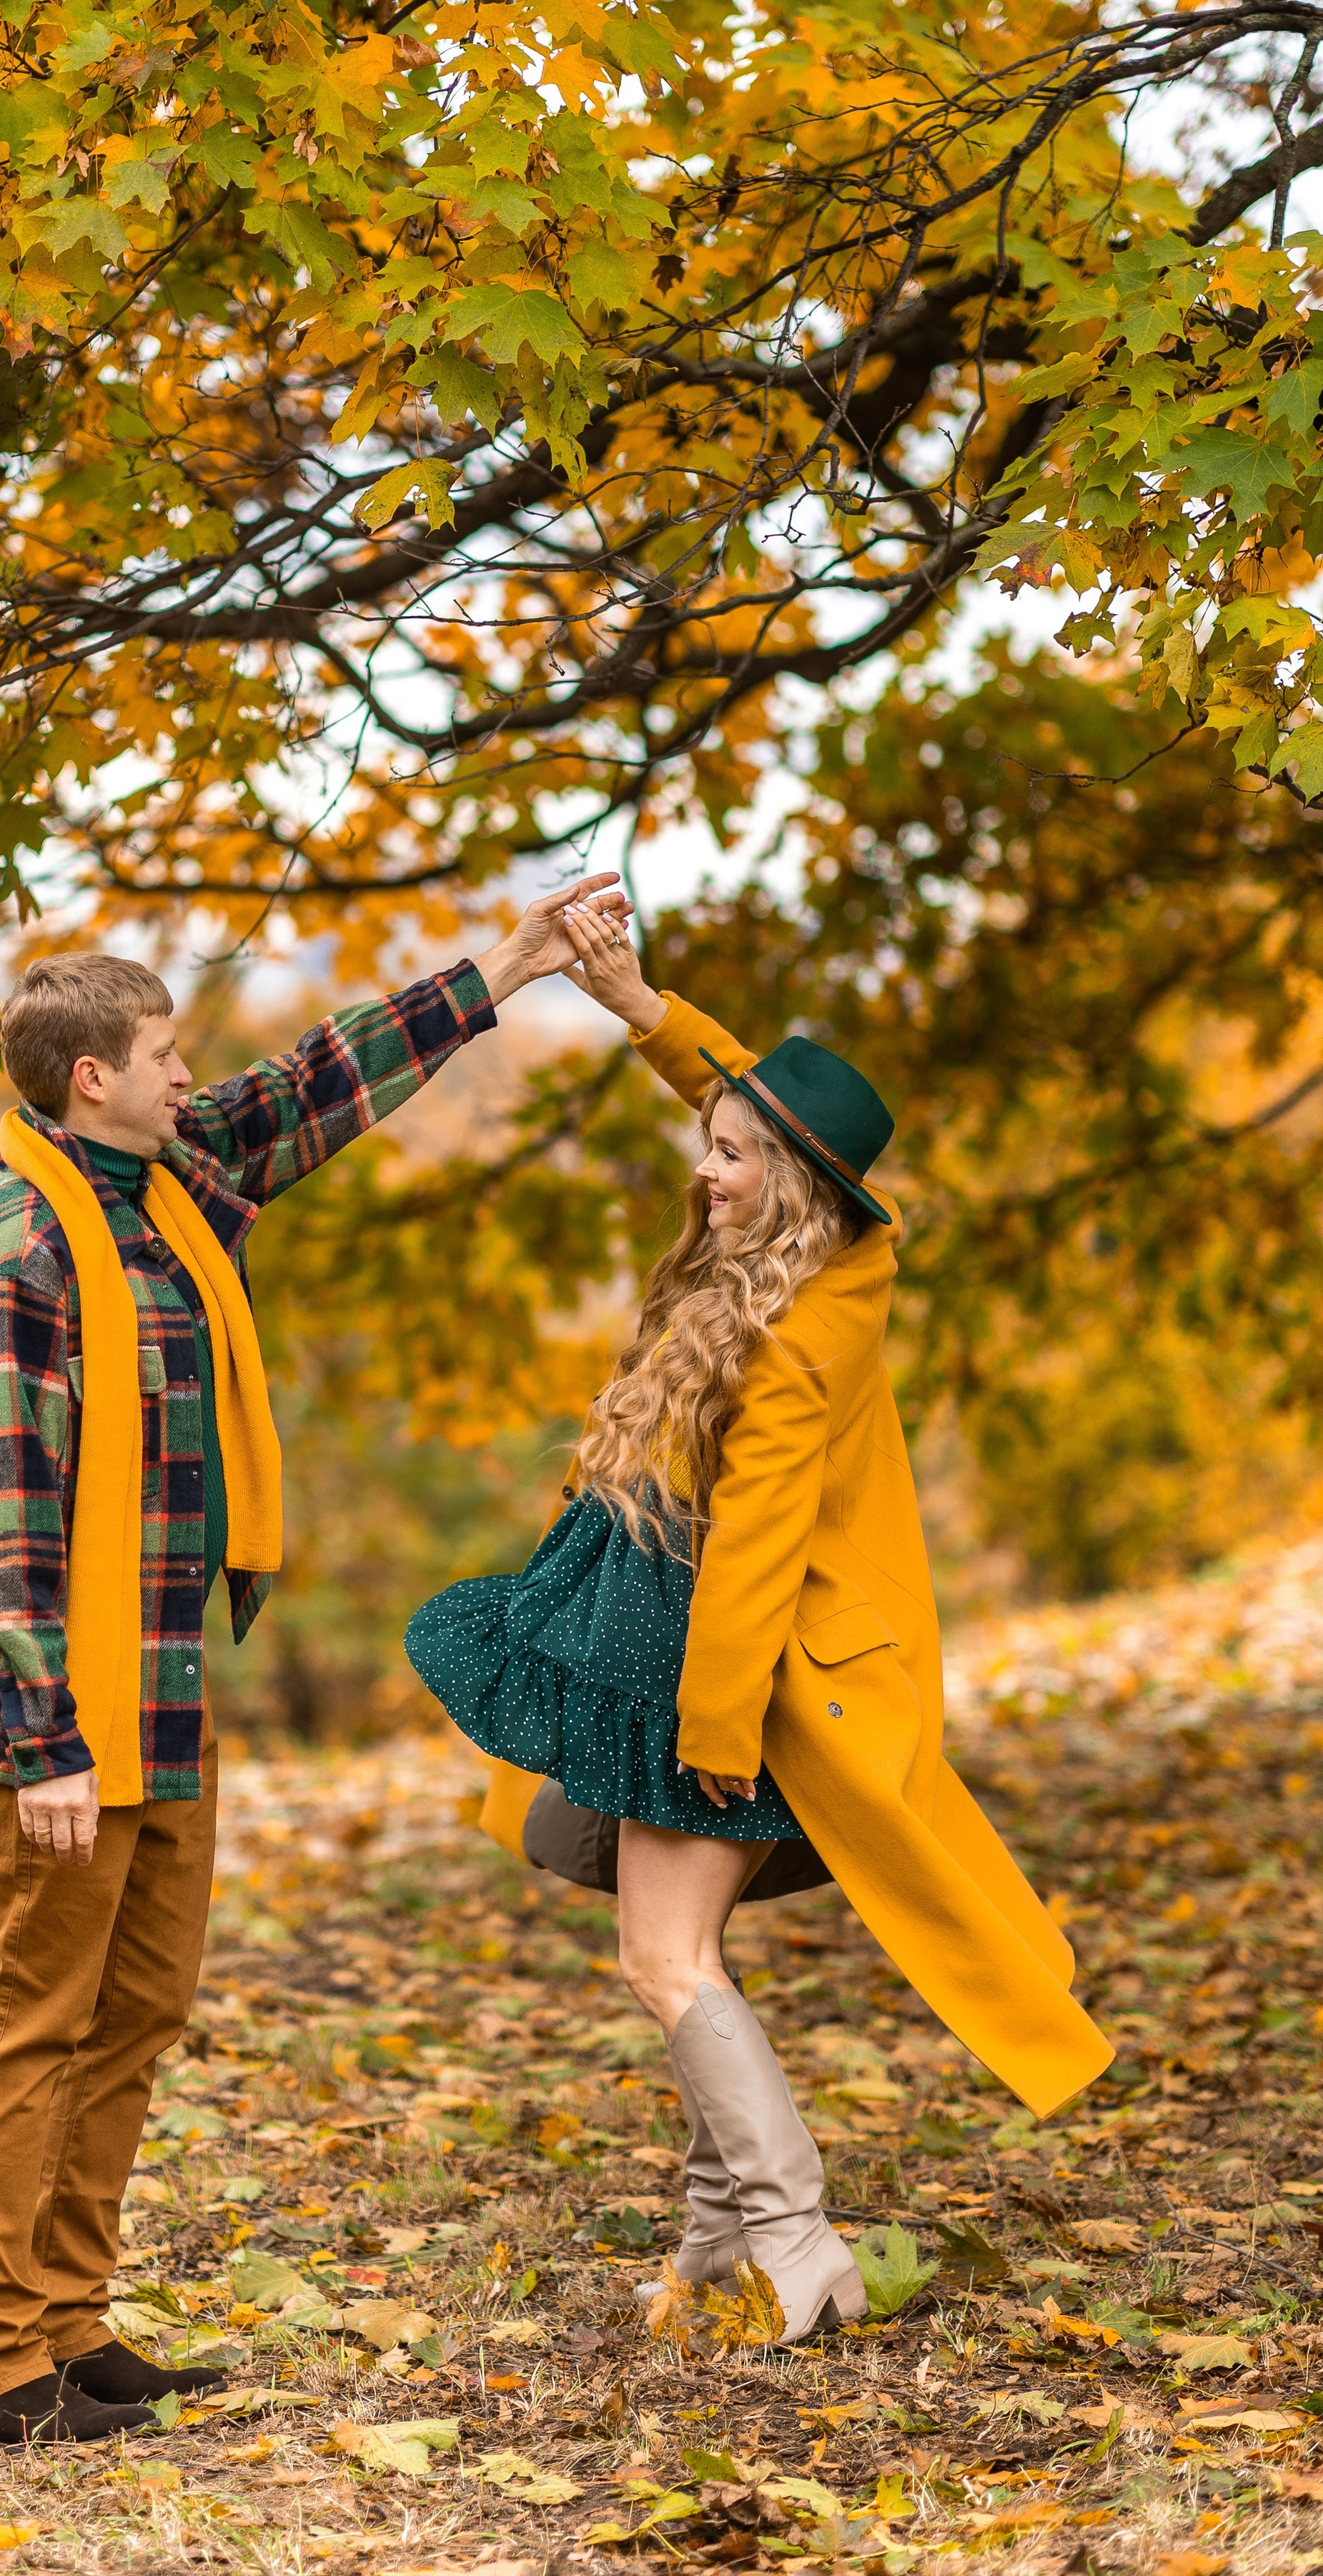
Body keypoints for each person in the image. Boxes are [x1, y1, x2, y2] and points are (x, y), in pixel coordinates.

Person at [0, 881, 624, 2447]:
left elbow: (316, 1081)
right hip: (71, 1711)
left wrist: (508, 963)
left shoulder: (164, 1184)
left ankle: (69, 2321)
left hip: (166, 1680)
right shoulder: (19, 1250)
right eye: (165, 1052)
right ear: (89, 1077)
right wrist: (40, 1738)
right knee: (31, 2015)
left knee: (138, 2006)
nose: (192, 1074)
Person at [407, 901, 1111, 2343]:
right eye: (708, 1141)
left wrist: (714, 1726)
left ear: (788, 1183)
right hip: (666, 1640)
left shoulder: (805, 1323)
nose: (701, 1167)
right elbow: (747, 1097)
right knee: (676, 1960)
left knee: (662, 1961)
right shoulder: (807, 1250)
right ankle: (712, 2252)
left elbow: (760, 1537)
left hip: (725, 1669)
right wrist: (639, 1006)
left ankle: (792, 2247)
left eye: (728, 1155)